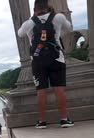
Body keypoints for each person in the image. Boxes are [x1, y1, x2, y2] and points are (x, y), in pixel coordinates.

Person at [18, 0, 74, 129]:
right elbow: (69, 27)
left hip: (37, 61)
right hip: (56, 59)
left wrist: (31, 19)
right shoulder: (58, 18)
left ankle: (42, 121)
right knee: (59, 90)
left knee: (41, 91)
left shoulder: (29, 23)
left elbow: (20, 33)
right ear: (48, 6)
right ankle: (64, 119)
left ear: (34, 8)